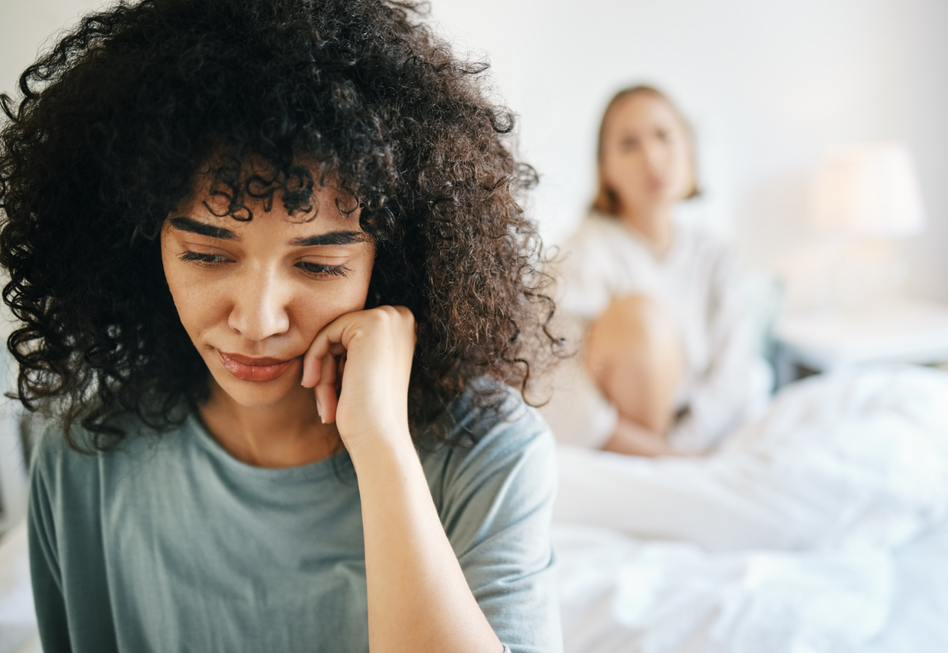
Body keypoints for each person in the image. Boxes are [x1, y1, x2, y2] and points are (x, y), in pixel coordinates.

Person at [0, 1, 563, 651]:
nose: (259, 320)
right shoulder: (84, 461)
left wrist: (382, 447)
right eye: (207, 255)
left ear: (392, 259)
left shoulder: (487, 450)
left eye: (320, 264)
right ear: (139, 243)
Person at [540, 85, 770, 457]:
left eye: (664, 136)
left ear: (689, 151)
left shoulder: (718, 258)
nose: (652, 156)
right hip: (622, 437)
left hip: (695, 435)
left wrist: (680, 449)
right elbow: (552, 374)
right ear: (605, 169)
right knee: (641, 320)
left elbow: (735, 373)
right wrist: (653, 452)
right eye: (629, 144)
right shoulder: (581, 251)